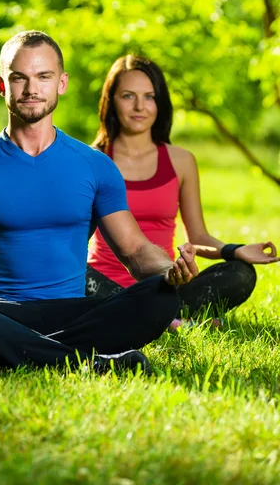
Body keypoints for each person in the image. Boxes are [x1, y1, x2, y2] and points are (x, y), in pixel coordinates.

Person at [0, 31, 199, 375]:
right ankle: (89, 363)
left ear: (61, 83)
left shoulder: (95, 166)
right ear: (1, 85)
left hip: (76, 310)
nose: (31, 89)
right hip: (3, 312)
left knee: (160, 297)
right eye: (19, 78)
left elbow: (134, 251)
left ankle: (2, 358)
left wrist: (167, 271)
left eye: (43, 77)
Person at [86, 54, 279, 321]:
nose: (140, 106)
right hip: (102, 286)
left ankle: (158, 317)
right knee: (71, 272)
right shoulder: (90, 160)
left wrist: (234, 250)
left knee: (241, 273)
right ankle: (172, 319)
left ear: (160, 103)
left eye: (149, 97)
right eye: (128, 96)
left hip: (164, 284)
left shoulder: (181, 161)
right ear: (111, 101)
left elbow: (198, 237)